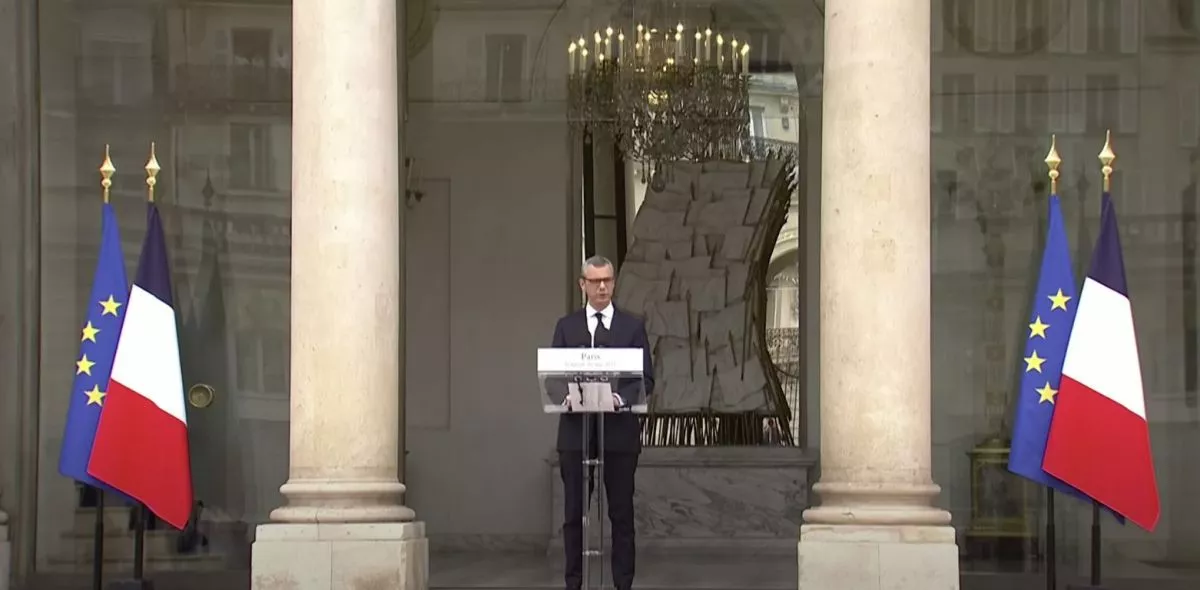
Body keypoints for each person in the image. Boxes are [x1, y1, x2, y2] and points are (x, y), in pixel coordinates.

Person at [549, 255, 654, 590]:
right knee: (573, 515)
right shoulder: (567, 327)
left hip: (619, 433)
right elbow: (553, 378)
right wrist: (565, 397)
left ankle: (623, 584)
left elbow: (645, 379)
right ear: (583, 285)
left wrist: (620, 399)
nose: (602, 287)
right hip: (576, 433)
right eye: (595, 281)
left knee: (621, 514)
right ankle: (574, 583)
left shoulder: (631, 327)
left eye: (607, 280)